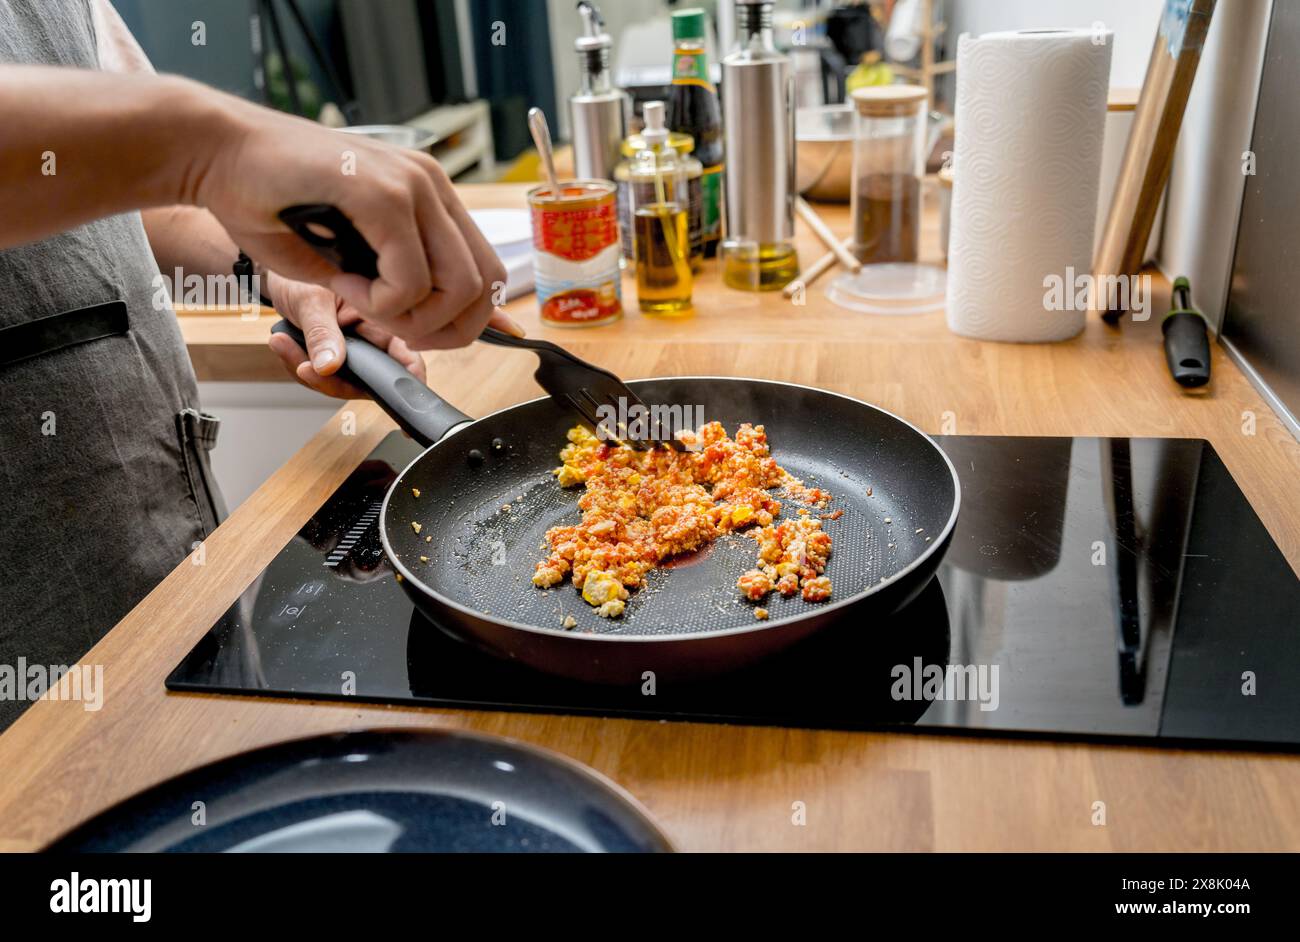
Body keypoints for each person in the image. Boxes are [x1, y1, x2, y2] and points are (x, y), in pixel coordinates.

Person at [0, 0, 521, 730]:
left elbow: (144, 190)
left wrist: (281, 271)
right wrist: (215, 141)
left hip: (159, 555)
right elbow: (177, 153)